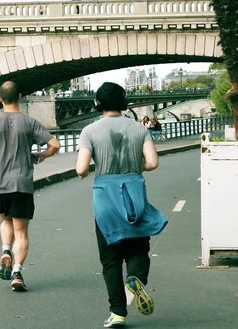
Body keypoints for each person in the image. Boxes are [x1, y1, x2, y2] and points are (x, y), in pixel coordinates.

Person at [75, 82, 167, 328]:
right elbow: (153, 162)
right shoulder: (139, 129)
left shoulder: (89, 130)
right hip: (134, 193)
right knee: (138, 248)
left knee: (111, 259)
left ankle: (118, 314)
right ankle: (136, 277)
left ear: (98, 104)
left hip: (105, 197)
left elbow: (81, 169)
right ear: (124, 103)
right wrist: (135, 168)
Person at [0, 81, 61, 292]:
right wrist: (42, 155)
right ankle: (17, 272)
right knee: (21, 232)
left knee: (5, 218)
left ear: (0, 99)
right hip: (21, 184)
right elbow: (55, 144)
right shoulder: (29, 122)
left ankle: (5, 250)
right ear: (20, 97)